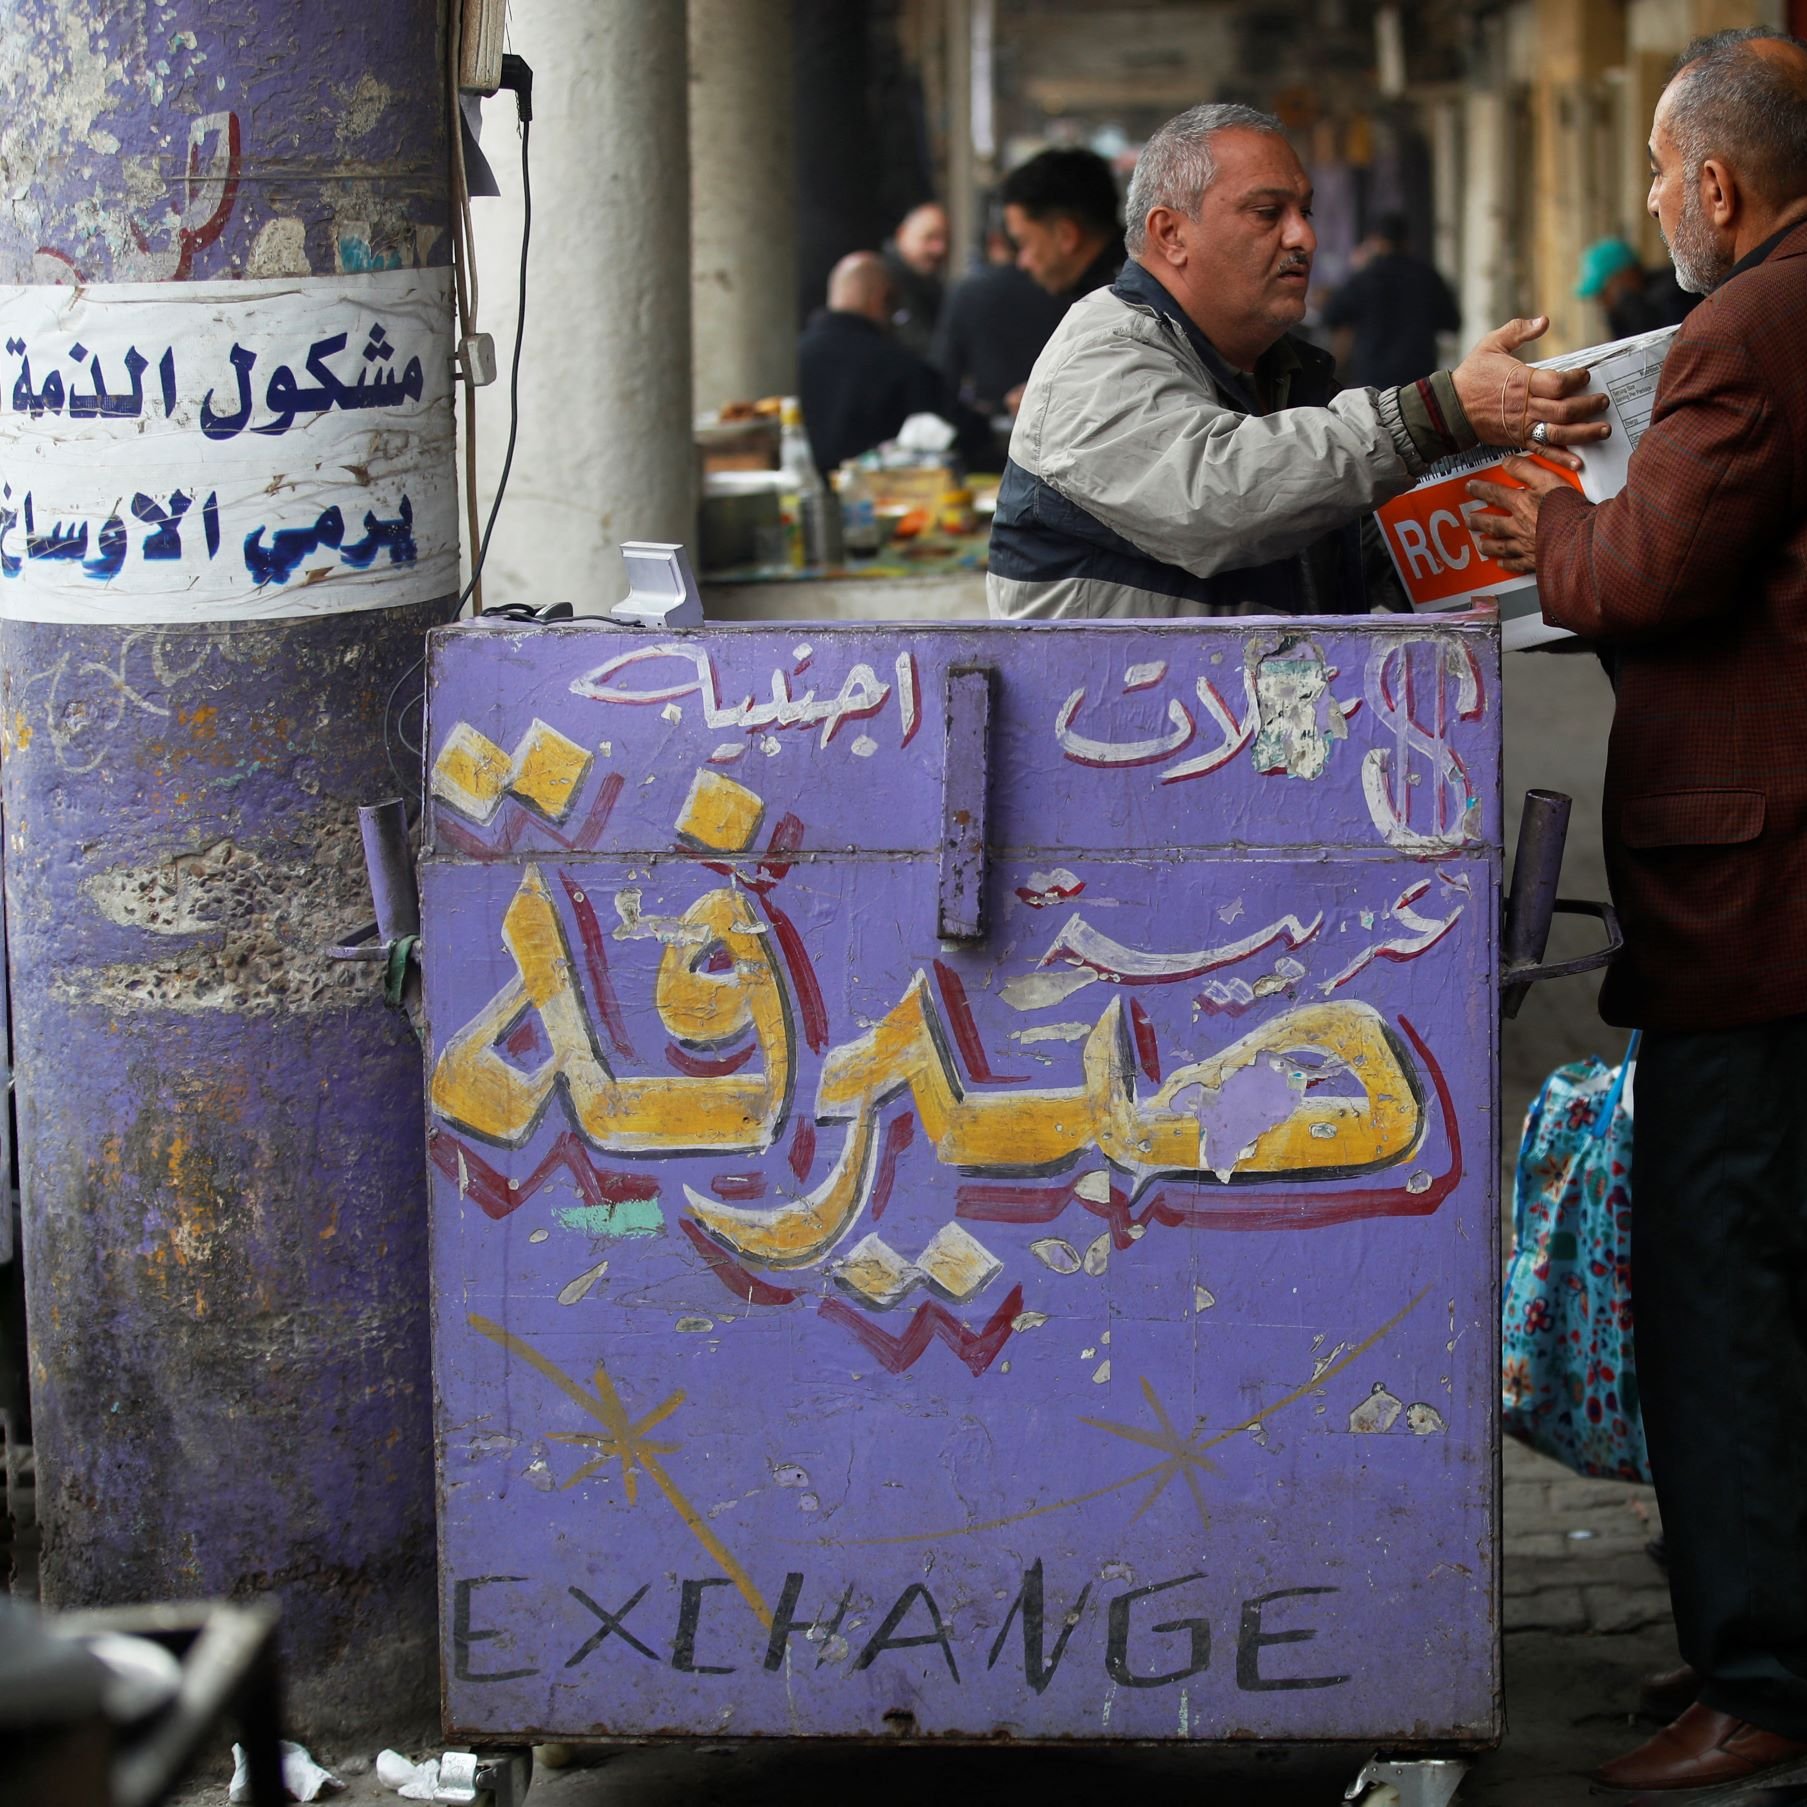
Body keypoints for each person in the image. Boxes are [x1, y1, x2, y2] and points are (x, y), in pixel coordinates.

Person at [1467, 30, 1807, 1793]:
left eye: (1663, 173)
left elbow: (1648, 568)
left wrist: (1540, 519)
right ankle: (1762, 1640)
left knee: (1719, 1283)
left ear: (1715, 184)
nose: (1657, 201)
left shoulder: (1751, 323)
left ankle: (1759, 1689)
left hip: (1754, 895)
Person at [986, 101, 1608, 620]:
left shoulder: (1272, 372)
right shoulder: (1100, 352)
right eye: (1267, 213)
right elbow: (1220, 499)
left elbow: (1337, 543)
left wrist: (1536, 524)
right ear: (1170, 233)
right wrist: (1442, 411)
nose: (1303, 237)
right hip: (1123, 754)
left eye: (1304, 211)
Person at [796, 251, 986, 476]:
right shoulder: (900, 365)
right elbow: (965, 431)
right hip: (879, 500)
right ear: (880, 299)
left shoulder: (792, 358)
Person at [933, 207, 1067, 424]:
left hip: (991, 428)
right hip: (1059, 420)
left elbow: (944, 376)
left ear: (994, 241)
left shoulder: (968, 292)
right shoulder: (1062, 288)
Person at [1321, 211, 1462, 388]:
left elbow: (1330, 315)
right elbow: (1452, 323)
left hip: (1373, 382)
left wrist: (1356, 269)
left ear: (1375, 241)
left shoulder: (1364, 277)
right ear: (1406, 241)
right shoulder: (1427, 276)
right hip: (1419, 380)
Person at [999, 147, 1126, 306]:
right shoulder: (1139, 283)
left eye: (1024, 243)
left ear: (1066, 235)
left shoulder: (1111, 309)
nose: (1023, 263)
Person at [1575, 234, 1698, 339]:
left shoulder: (1675, 295)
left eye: (1603, 292)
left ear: (1626, 276)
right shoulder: (1621, 316)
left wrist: (1631, 305)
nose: (1602, 302)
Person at [882, 202, 949, 358]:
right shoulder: (883, 282)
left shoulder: (933, 287)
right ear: (902, 234)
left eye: (946, 239)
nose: (940, 249)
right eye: (930, 238)